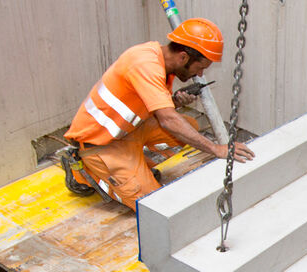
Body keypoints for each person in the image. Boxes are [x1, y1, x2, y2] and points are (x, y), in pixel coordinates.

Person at [61, 17, 255, 208]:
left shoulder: (162, 62)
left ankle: (136, 166)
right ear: (184, 57)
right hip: (99, 145)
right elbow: (168, 121)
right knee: (153, 206)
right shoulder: (145, 65)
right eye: (200, 67)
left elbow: (147, 107)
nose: (200, 74)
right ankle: (86, 172)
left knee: (190, 127)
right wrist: (216, 149)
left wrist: (174, 103)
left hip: (127, 132)